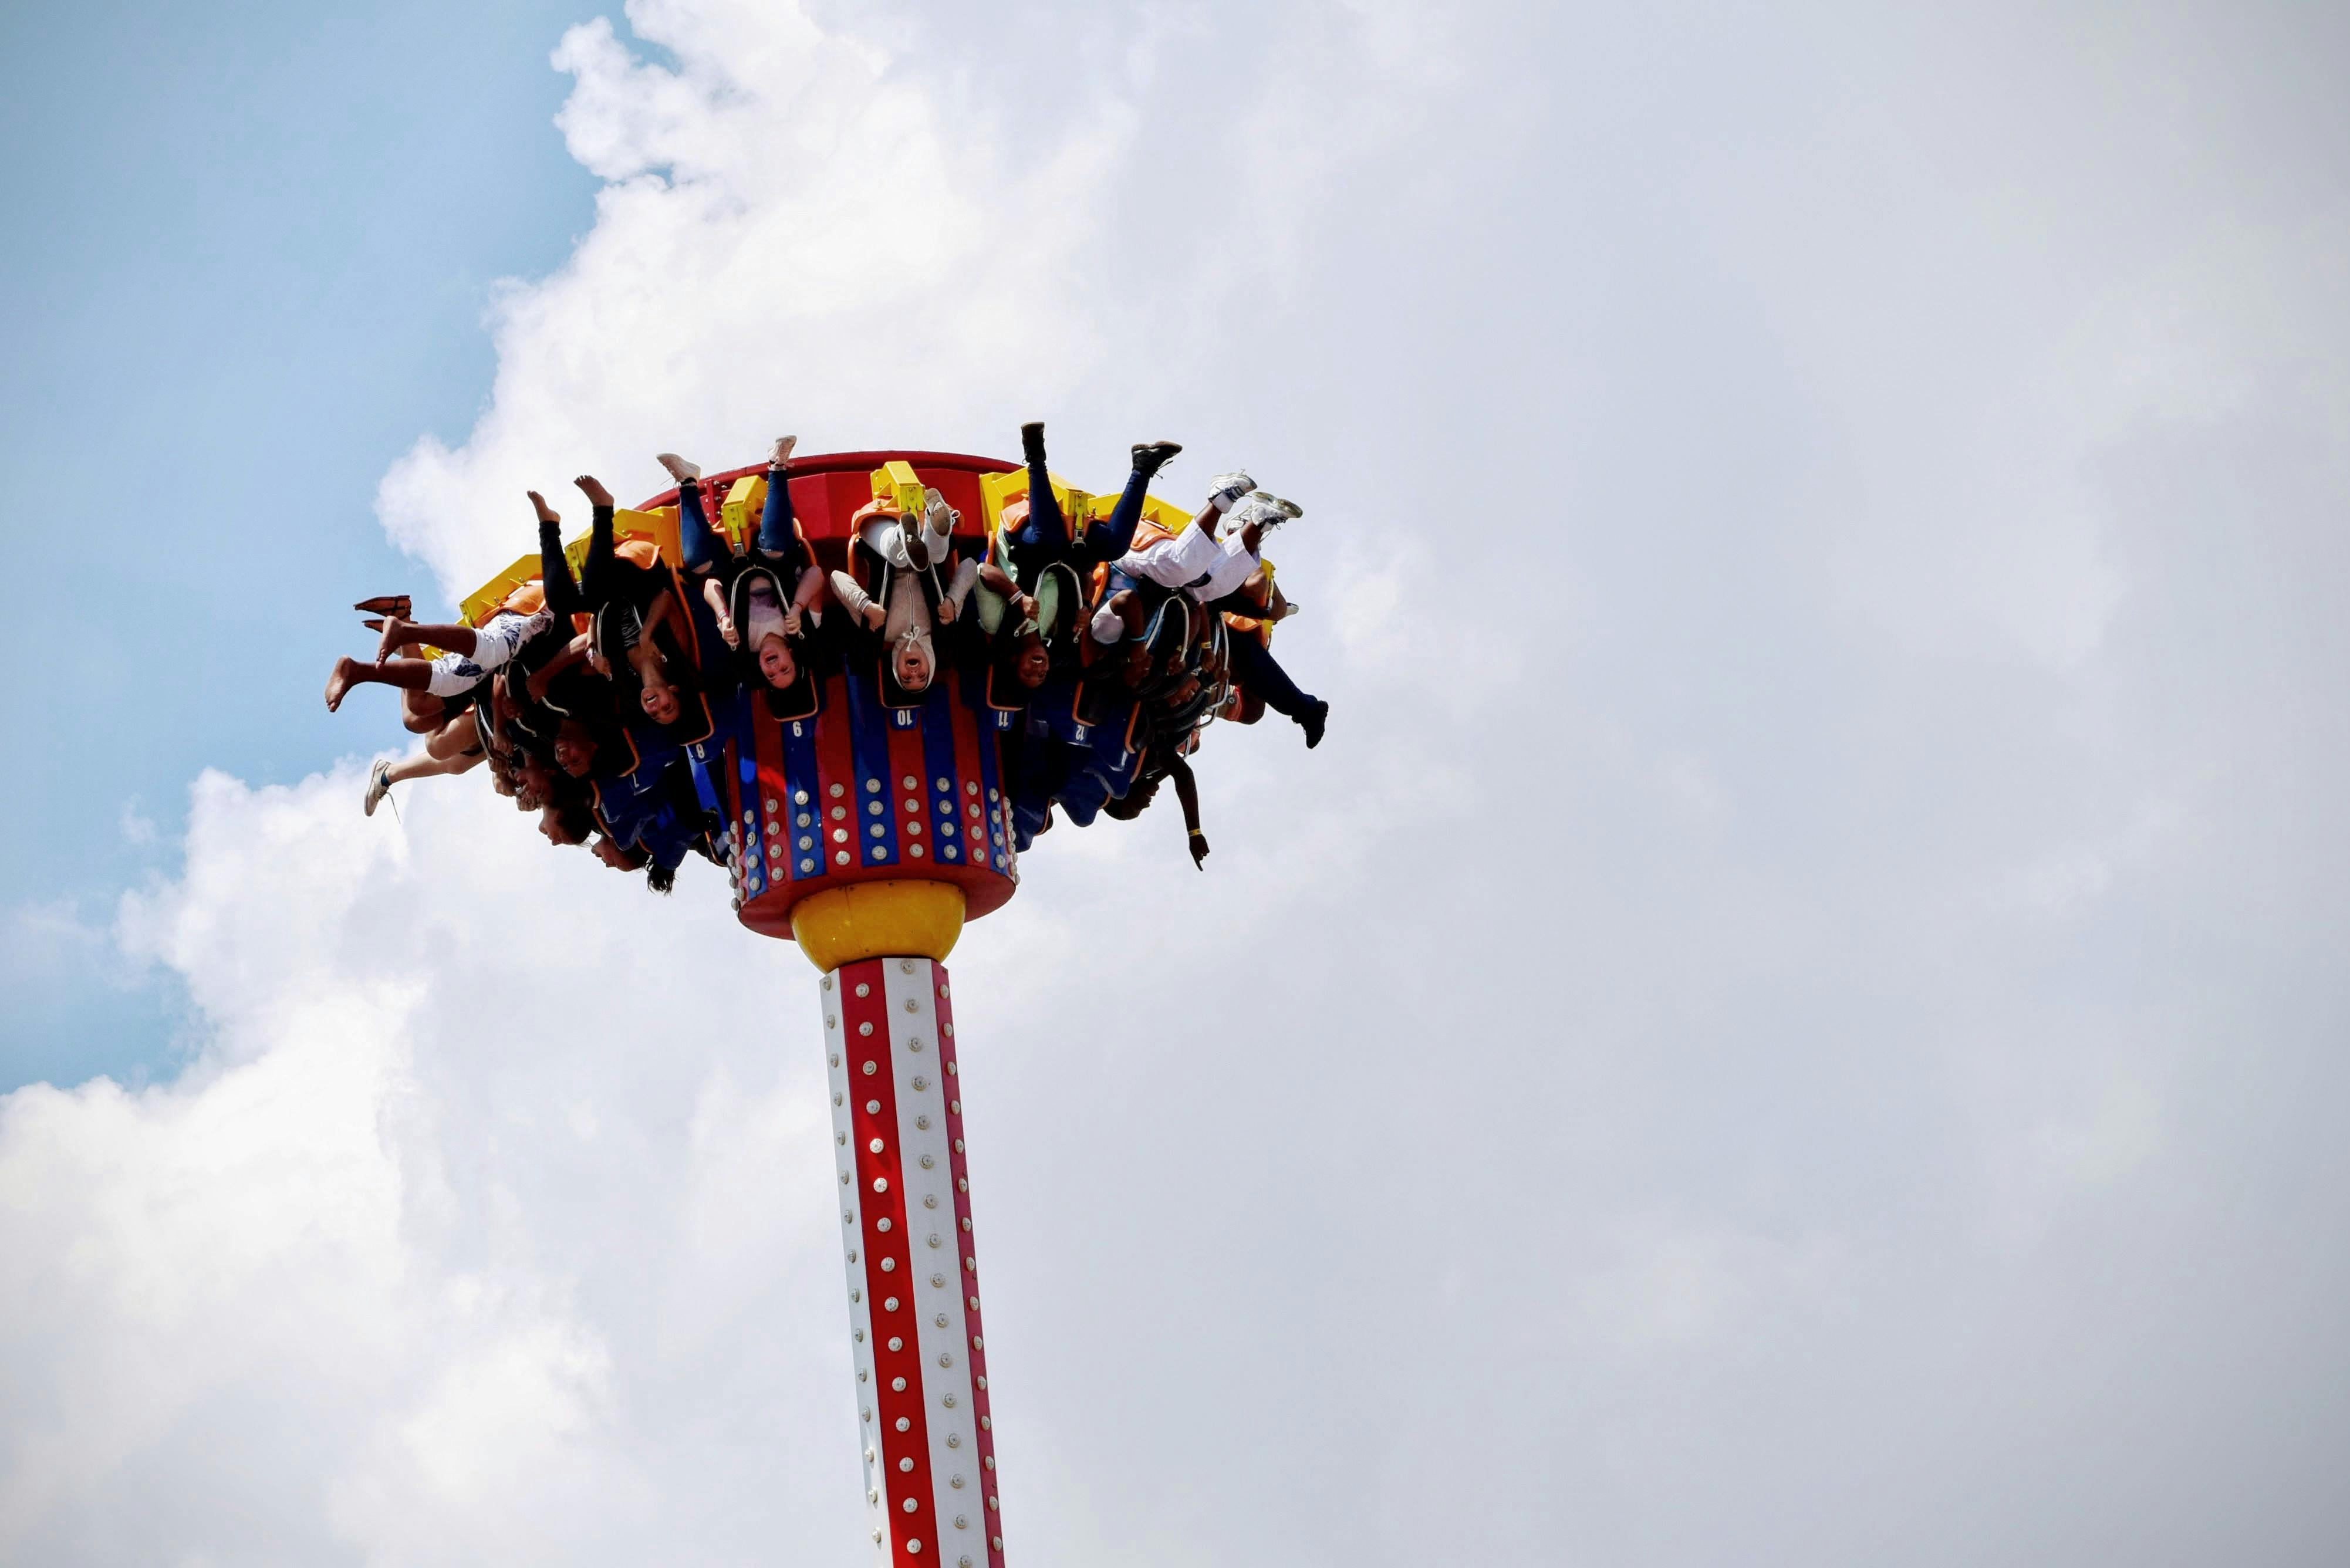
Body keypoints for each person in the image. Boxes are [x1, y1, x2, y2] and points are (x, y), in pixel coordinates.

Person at [659, 437, 827, 692]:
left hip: (731, 569)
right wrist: (796, 607)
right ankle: (777, 467)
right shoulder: (804, 627)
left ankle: (688, 482)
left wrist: (723, 617)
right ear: (792, 655)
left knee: (697, 563)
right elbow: (816, 573)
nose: (774, 668)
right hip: (773, 558)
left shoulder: (740, 640)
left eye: (771, 675)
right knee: (774, 547)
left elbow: (710, 585)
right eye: (785, 669)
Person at [828, 487, 977, 694]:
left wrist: (866, 606)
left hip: (881, 532)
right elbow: (971, 566)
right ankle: (935, 524)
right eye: (922, 676)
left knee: (894, 553)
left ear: (896, 669)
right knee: (936, 556)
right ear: (930, 664)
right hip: (926, 539)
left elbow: (836, 578)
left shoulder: (879, 630)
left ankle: (904, 536)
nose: (914, 672)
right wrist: (953, 600)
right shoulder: (943, 624)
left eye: (907, 678)